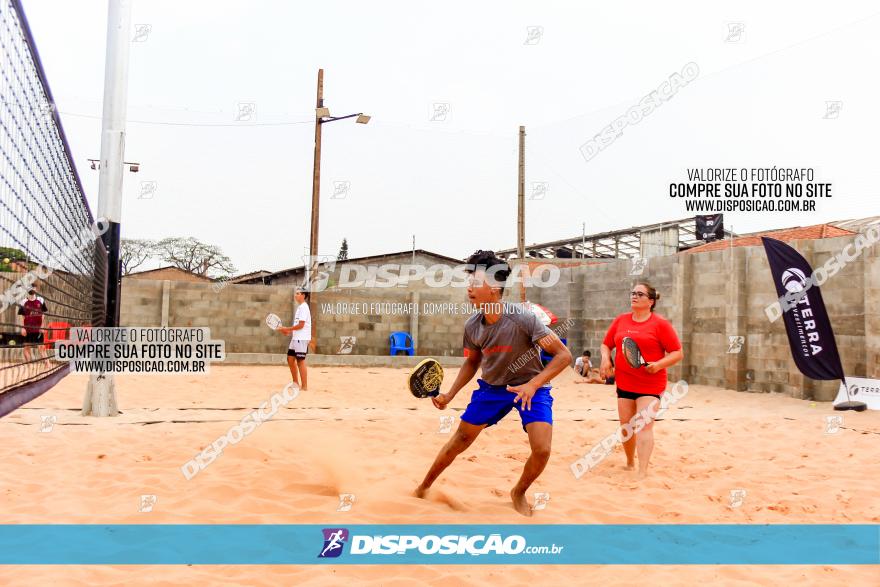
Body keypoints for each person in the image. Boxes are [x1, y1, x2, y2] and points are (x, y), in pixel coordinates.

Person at [414, 250, 571, 516]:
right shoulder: (473, 325)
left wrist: (533, 384)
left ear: (495, 287)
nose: (469, 288)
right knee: (460, 439)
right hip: (491, 389)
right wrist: (450, 394)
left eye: (476, 282)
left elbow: (563, 356)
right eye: (469, 282)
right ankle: (423, 487)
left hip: (531, 387)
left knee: (542, 449)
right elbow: (472, 363)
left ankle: (518, 491)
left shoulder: (523, 319)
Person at [599, 281, 683, 478]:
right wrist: (605, 359)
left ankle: (642, 471)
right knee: (626, 427)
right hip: (625, 381)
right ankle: (629, 462)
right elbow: (606, 344)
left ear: (651, 301)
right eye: (632, 293)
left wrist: (659, 364)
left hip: (650, 383)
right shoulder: (621, 320)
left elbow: (677, 352)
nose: (634, 296)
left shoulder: (660, 324)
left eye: (640, 294)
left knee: (644, 426)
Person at [278, 287, 311, 391]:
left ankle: (304, 386)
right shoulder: (300, 307)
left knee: (300, 361)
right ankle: (295, 383)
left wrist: (287, 328)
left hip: (301, 338)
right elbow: (297, 326)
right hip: (296, 338)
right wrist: (289, 331)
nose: (295, 295)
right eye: (296, 293)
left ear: (303, 295)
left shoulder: (304, 307)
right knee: (290, 359)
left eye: (298, 293)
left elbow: (301, 325)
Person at [18, 289, 48, 361]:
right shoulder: (23, 301)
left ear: (36, 289)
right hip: (27, 328)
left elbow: (43, 315)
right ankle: (29, 364)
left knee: (41, 347)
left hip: (38, 328)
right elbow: (22, 316)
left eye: (33, 288)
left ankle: (48, 364)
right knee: (26, 347)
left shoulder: (41, 300)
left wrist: (42, 326)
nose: (32, 289)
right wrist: (23, 328)